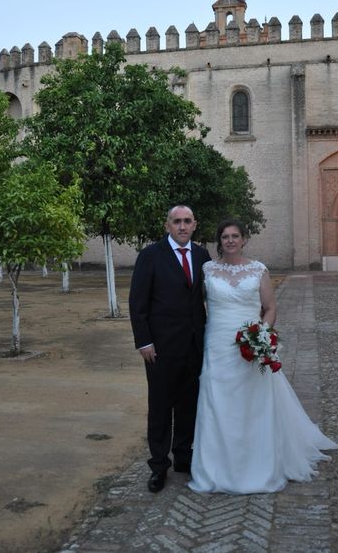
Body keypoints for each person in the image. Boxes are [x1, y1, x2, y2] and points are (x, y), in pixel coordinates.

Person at [188, 219, 337, 494]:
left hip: (251, 342)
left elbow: (269, 308)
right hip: (218, 345)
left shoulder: (258, 270)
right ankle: (216, 466)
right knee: (217, 402)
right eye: (225, 237)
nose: (230, 240)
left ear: (244, 239)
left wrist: (261, 336)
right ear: (219, 241)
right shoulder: (207, 269)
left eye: (235, 236)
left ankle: (258, 461)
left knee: (253, 402)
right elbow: (195, 306)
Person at [129, 205, 211, 493]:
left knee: (188, 405)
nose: (182, 226)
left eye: (187, 221)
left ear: (194, 224)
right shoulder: (150, 256)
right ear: (167, 226)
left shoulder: (202, 256)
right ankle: (159, 466)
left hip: (193, 345)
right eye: (176, 221)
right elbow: (137, 303)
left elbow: (205, 300)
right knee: (161, 408)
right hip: (160, 348)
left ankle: (183, 457)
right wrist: (144, 341)